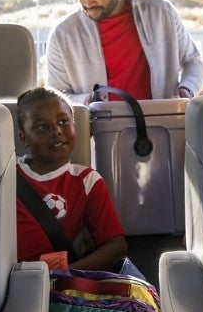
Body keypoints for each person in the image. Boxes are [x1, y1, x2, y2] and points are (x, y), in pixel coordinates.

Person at [14, 86, 129, 272]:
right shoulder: (7, 176)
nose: (56, 131)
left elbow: (115, 246)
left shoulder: (87, 181)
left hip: (61, 279)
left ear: (75, 126)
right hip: (9, 279)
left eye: (63, 121)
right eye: (42, 126)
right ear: (24, 138)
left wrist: (67, 274)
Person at [46, 0, 203, 103]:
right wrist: (87, 101)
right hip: (99, 137)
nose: (87, 0)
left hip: (164, 129)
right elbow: (57, 96)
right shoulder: (62, 35)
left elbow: (193, 62)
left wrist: (186, 91)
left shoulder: (163, 13)